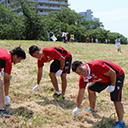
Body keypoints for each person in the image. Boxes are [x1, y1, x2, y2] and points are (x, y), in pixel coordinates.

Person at [72, 60, 125, 128]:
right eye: (79, 73)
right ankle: (92, 109)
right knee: (91, 89)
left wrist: (112, 85)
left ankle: (121, 122)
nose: (82, 72)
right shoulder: (83, 78)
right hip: (104, 78)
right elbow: (81, 93)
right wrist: (77, 107)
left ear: (84, 65)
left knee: (115, 98)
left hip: (117, 75)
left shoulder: (96, 66)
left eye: (81, 69)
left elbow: (112, 73)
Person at [0, 47, 26, 117]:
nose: (19, 62)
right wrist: (6, 95)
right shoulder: (8, 60)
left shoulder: (5, 53)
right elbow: (6, 80)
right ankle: (1, 109)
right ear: (15, 56)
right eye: (19, 59)